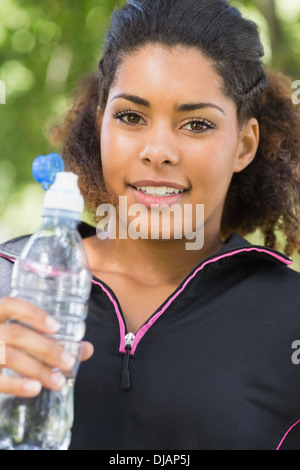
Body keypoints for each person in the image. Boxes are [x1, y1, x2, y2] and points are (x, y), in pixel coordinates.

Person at [0, 0, 300, 450]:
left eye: (196, 124)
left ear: (244, 145)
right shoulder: (11, 279)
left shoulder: (289, 317)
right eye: (131, 117)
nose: (158, 150)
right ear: (101, 122)